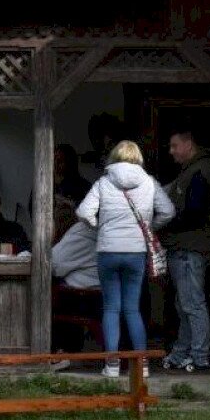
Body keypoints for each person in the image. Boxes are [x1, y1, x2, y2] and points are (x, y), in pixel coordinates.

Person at [77, 140, 173, 378]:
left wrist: (100, 227)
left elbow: (83, 212)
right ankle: (141, 365)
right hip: (136, 251)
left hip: (108, 251)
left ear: (114, 157)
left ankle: (111, 365)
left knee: (111, 308)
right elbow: (168, 211)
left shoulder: (103, 182)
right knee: (132, 308)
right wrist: (149, 227)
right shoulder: (149, 182)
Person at [162, 130, 210, 372]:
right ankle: (182, 351)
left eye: (175, 145)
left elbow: (194, 213)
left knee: (192, 305)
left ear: (189, 144)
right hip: (188, 247)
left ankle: (199, 355)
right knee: (185, 304)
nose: (171, 151)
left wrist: (163, 224)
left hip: (189, 248)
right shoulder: (195, 170)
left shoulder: (199, 172)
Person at [48, 199, 99, 361]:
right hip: (95, 294)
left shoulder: (78, 237)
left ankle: (61, 350)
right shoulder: (88, 233)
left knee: (46, 300)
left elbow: (52, 265)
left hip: (86, 297)